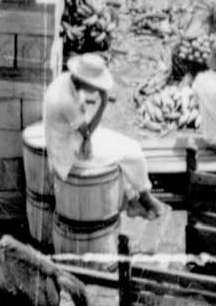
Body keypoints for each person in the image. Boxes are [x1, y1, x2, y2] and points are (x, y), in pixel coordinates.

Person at [44, 53, 165, 220]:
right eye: (96, 84)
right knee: (132, 154)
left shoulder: (65, 81)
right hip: (69, 155)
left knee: (132, 146)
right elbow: (87, 131)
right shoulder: (66, 100)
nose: (97, 89)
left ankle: (133, 200)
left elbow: (83, 125)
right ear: (84, 80)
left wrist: (87, 138)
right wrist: (103, 103)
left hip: (72, 138)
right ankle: (144, 196)